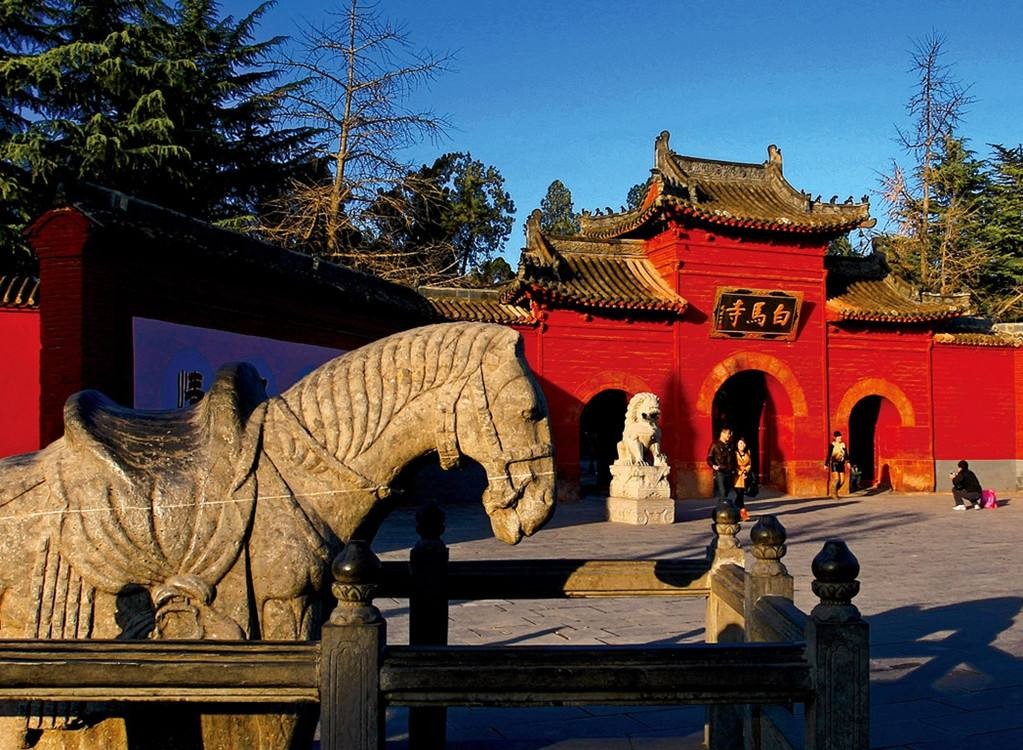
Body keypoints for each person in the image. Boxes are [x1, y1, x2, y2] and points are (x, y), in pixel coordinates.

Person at [706, 427, 735, 503]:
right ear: (722, 434)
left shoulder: (730, 445)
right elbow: (709, 458)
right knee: (723, 491)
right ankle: (723, 507)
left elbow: (734, 458)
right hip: (720, 471)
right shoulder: (715, 444)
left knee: (727, 491)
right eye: (728, 433)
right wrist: (713, 466)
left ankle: (721, 505)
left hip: (729, 471)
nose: (730, 435)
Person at [733, 436, 752, 521]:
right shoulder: (734, 453)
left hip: (745, 477)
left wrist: (745, 471)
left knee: (740, 496)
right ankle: (743, 513)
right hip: (736, 477)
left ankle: (734, 510)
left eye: (744, 443)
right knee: (740, 495)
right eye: (740, 443)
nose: (742, 445)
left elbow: (749, 464)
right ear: (737, 444)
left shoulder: (748, 452)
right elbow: (733, 465)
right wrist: (739, 472)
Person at [825, 431, 847, 499]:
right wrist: (826, 464)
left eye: (840, 437)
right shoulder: (832, 445)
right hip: (834, 463)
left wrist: (848, 462)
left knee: (842, 481)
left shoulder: (843, 444)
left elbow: (846, 453)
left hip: (841, 463)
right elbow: (829, 455)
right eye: (838, 437)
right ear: (835, 437)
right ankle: (833, 494)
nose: (840, 438)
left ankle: (834, 491)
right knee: (836, 479)